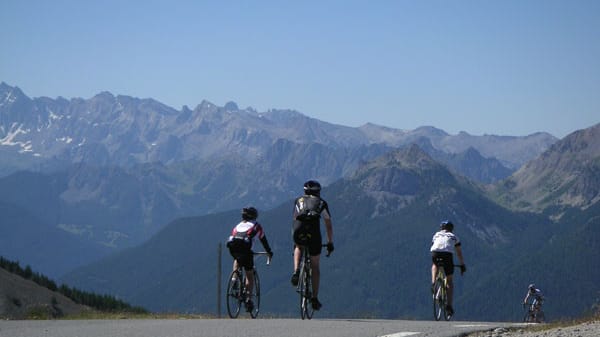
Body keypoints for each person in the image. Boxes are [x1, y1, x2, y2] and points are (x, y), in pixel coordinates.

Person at [290, 180, 334, 310]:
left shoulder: (298, 201)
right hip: (313, 234)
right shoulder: (322, 203)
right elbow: (328, 225)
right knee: (315, 265)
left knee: (298, 246)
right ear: (318, 192)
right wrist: (330, 242)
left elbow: (294, 219)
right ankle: (314, 298)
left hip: (298, 230)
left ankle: (296, 270)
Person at [226, 206, 273, 312]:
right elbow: (263, 240)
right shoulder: (256, 226)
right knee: (249, 275)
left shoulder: (237, 226)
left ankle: (234, 279)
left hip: (233, 249)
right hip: (246, 251)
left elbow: (233, 237)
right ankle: (248, 300)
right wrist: (269, 252)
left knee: (237, 260)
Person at [430, 220, 466, 317]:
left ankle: (433, 282)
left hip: (435, 252)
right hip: (447, 255)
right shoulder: (454, 237)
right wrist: (462, 264)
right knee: (449, 281)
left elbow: (433, 245)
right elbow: (459, 252)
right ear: (451, 229)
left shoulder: (436, 234)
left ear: (441, 228)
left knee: (434, 264)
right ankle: (449, 306)